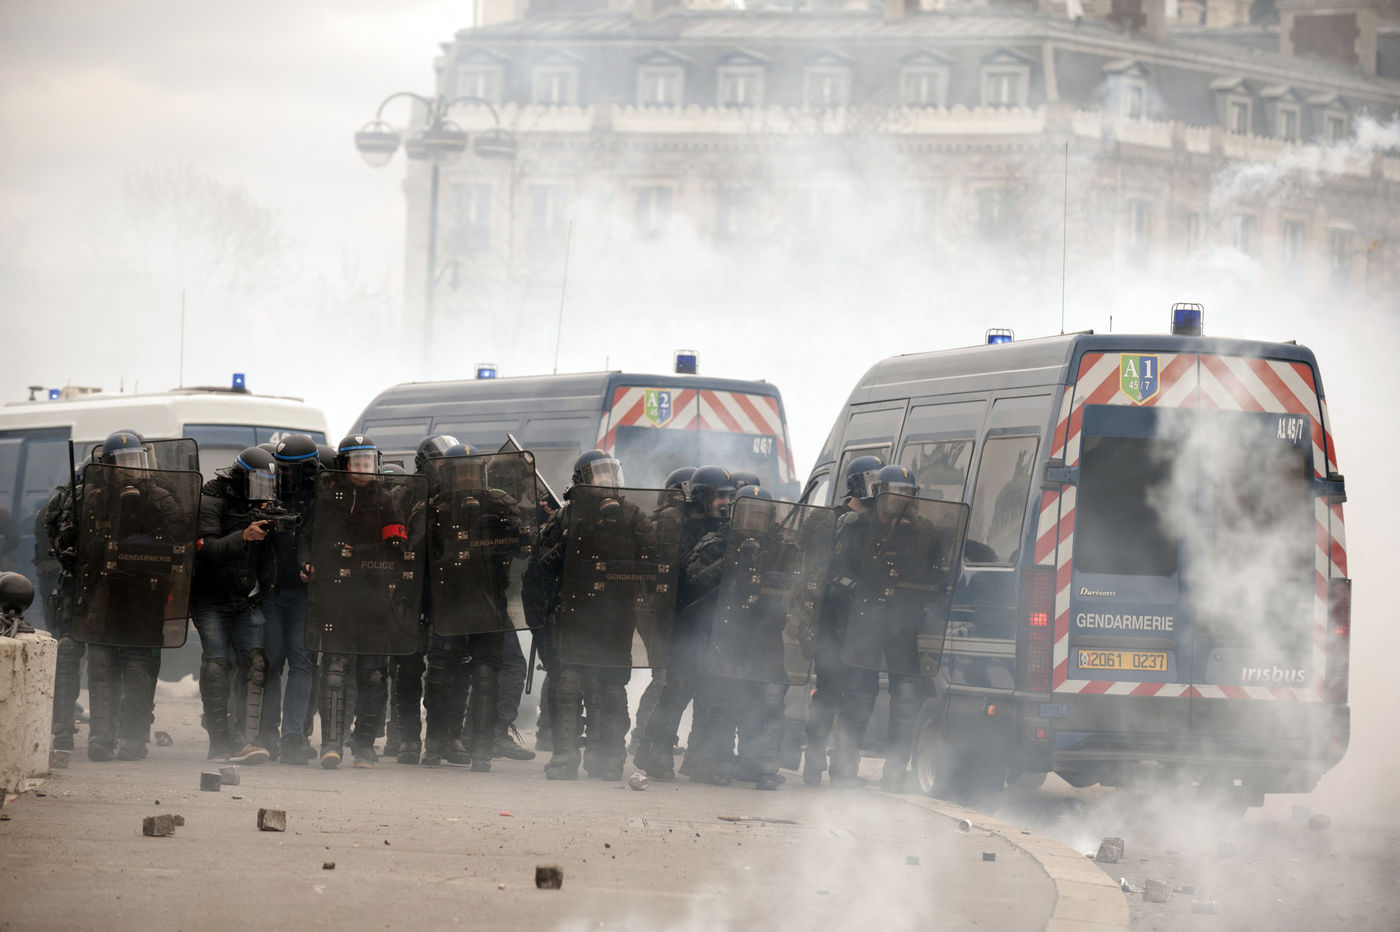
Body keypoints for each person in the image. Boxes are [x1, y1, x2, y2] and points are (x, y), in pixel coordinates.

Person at [533, 451, 656, 780]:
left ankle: (608, 758)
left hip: (616, 616)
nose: (607, 481)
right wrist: (565, 542)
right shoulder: (566, 517)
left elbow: (656, 563)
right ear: (583, 481)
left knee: (612, 687)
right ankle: (564, 757)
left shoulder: (633, 516)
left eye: (611, 473)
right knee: (570, 683)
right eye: (599, 475)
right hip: (576, 614)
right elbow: (541, 564)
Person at [74, 431, 182, 761]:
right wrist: (108, 549)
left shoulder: (161, 498)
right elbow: (84, 547)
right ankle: (101, 737)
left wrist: (139, 547)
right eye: (122, 463)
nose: (129, 469)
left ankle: (133, 738)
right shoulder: (96, 500)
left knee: (138, 667)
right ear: (108, 467)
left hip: (144, 596)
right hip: (106, 593)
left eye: (135, 461)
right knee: (101, 664)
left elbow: (176, 543)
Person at [306, 434, 411, 769]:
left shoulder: (387, 500)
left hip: (375, 597)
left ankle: (364, 745)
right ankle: (331, 744)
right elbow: (311, 539)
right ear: (344, 465)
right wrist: (308, 562)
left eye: (368, 462)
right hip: (336, 596)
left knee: (373, 674)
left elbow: (397, 546)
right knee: (334, 670)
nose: (364, 468)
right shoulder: (326, 499)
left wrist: (356, 552)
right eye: (357, 462)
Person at [420, 443, 523, 770]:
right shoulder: (432, 509)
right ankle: (436, 742)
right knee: (440, 674)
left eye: (472, 472)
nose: (467, 479)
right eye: (460, 473)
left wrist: (507, 532)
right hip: (447, 602)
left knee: (485, 674)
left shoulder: (499, 504)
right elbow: (417, 555)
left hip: (488, 601)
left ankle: (482, 749)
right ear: (449, 475)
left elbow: (524, 546)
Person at [633, 465, 735, 782]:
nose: (725, 503)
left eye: (729, 496)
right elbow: (682, 573)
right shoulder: (674, 522)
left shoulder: (724, 526)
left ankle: (702, 760)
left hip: (711, 620)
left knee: (712, 691)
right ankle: (655, 752)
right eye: (719, 496)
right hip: (678, 617)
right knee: (677, 688)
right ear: (701, 496)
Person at [191, 447, 280, 763]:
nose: (263, 490)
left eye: (268, 484)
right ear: (241, 478)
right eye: (258, 483)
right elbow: (205, 549)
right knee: (217, 666)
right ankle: (219, 743)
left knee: (255, 664)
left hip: (246, 599)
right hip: (211, 600)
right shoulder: (211, 501)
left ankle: (245, 739)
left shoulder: (261, 506)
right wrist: (243, 535)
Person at [805, 454, 883, 787]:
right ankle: (813, 759)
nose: (878, 487)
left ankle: (845, 769)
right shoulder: (832, 521)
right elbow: (816, 568)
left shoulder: (883, 524)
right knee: (829, 694)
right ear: (857, 484)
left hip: (865, 630)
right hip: (832, 626)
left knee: (862, 698)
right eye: (873, 480)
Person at [391, 433, 458, 765]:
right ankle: (407, 739)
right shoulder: (404, 495)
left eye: (448, 463)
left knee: (442, 672)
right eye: (439, 463)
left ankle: (438, 739)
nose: (444, 469)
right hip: (411, 593)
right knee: (407, 669)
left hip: (446, 594)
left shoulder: (461, 496)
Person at [259, 433, 321, 765]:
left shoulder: (323, 500)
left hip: (303, 596)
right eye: (280, 468)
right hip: (271, 592)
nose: (284, 475)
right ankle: (267, 734)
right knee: (271, 662)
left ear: (308, 469)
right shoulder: (265, 493)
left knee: (301, 662)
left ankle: (294, 737)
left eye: (291, 469)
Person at [627, 465, 694, 756]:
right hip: (655, 608)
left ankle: (652, 736)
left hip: (661, 608)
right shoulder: (670, 520)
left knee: (668, 674)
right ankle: (643, 737)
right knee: (664, 675)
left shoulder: (670, 520)